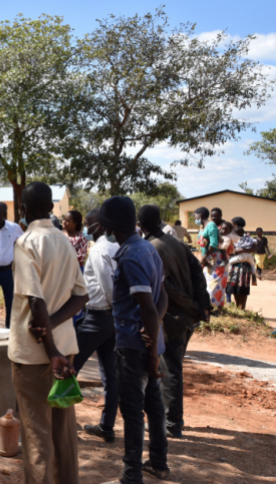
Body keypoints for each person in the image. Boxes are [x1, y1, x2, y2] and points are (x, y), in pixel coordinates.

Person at [9, 182, 89, 484]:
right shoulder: (65, 241)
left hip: (34, 354)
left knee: (36, 434)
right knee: (63, 431)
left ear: (24, 208)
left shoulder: (26, 243)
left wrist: (50, 349)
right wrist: (55, 332)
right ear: (51, 207)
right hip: (65, 348)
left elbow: (35, 298)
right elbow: (82, 296)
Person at [100, 197, 170, 484]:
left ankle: (132, 475)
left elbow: (149, 306)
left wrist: (152, 353)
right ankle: (158, 462)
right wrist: (154, 333)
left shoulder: (130, 256)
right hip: (149, 340)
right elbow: (162, 297)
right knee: (153, 403)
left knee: (131, 408)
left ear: (111, 226)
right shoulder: (146, 249)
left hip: (135, 345)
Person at [139, 205, 211, 439]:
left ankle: (172, 422)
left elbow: (166, 288)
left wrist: (194, 306)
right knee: (172, 367)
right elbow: (198, 272)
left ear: (141, 225)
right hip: (186, 316)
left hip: (172, 316)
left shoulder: (150, 248)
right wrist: (203, 306)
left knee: (170, 369)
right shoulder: (175, 242)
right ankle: (171, 418)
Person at [73, 208, 120, 443]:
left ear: (99, 226)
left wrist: (113, 310)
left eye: (89, 223)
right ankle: (107, 426)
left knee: (69, 365)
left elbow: (107, 287)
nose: (86, 228)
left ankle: (60, 422)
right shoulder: (115, 248)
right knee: (110, 375)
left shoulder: (101, 250)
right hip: (111, 319)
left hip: (99, 316)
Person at [195, 206, 228, 309]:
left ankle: (213, 308)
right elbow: (202, 244)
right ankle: (213, 307)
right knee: (208, 284)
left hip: (216, 259)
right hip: (208, 259)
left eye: (195, 216)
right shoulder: (202, 228)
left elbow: (213, 244)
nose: (195, 218)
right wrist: (203, 258)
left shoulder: (211, 225)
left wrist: (204, 257)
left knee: (214, 285)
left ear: (200, 215)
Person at [226, 217, 258, 310]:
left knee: (239, 288)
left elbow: (255, 248)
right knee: (238, 288)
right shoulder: (245, 237)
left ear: (235, 225)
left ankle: (241, 308)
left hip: (238, 266)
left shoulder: (236, 236)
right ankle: (240, 308)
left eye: (231, 224)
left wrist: (241, 250)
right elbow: (255, 247)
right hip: (244, 264)